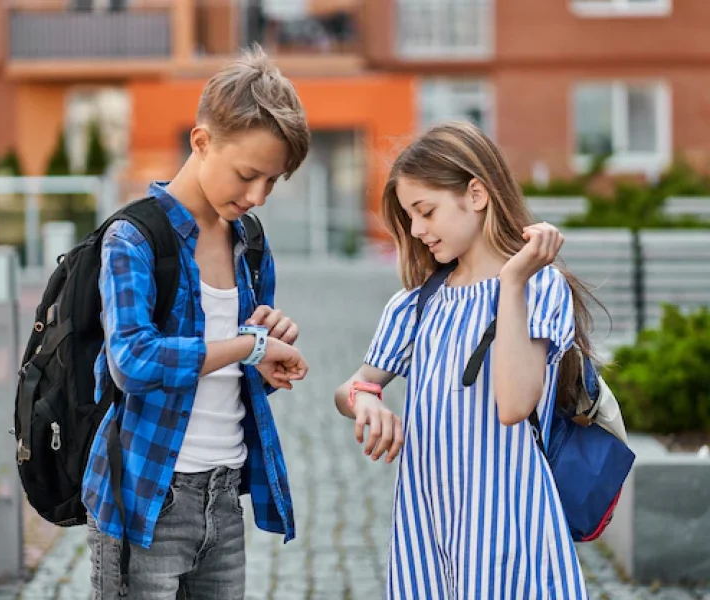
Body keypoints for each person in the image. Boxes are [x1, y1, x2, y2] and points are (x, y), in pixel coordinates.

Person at [82, 45, 311, 599]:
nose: (257, 196)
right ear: (202, 141)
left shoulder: (250, 246)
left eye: (272, 183)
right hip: (147, 497)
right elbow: (132, 362)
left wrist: (267, 360)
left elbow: (239, 375)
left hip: (224, 496)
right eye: (248, 174)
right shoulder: (135, 238)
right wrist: (245, 346)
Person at [335, 121, 596, 598]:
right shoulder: (417, 304)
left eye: (425, 211)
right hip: (427, 534)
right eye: (410, 217)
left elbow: (514, 403)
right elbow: (353, 386)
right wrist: (365, 400)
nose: (415, 230)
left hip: (509, 534)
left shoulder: (538, 287)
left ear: (476, 194)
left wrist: (512, 283)